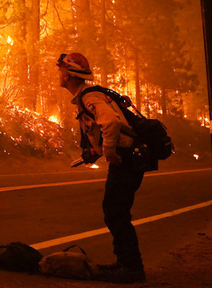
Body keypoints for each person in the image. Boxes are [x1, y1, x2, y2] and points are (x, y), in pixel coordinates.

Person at [57, 52, 148, 284]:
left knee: (115, 211)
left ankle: (130, 267)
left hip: (127, 159)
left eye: (61, 71)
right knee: (116, 210)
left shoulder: (89, 98)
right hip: (130, 157)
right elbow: (104, 127)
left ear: (68, 76)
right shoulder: (88, 96)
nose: (58, 75)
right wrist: (95, 153)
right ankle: (126, 263)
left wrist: (109, 152)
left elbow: (110, 122)